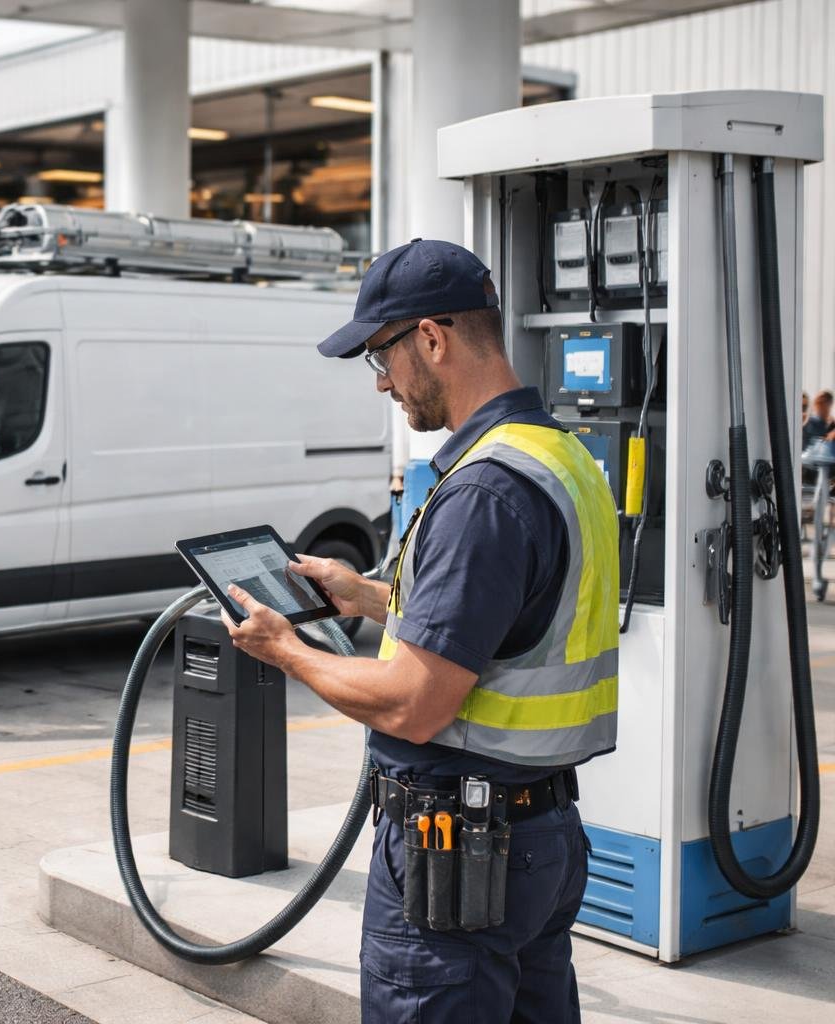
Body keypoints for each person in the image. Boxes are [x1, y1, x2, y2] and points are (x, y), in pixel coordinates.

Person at [222, 239, 617, 1023]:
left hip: (460, 859)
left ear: (432, 339)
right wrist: (366, 597)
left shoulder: (484, 493)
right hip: (539, 839)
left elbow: (413, 705)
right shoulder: (560, 457)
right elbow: (513, 621)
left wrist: (285, 650)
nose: (381, 381)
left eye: (382, 355)